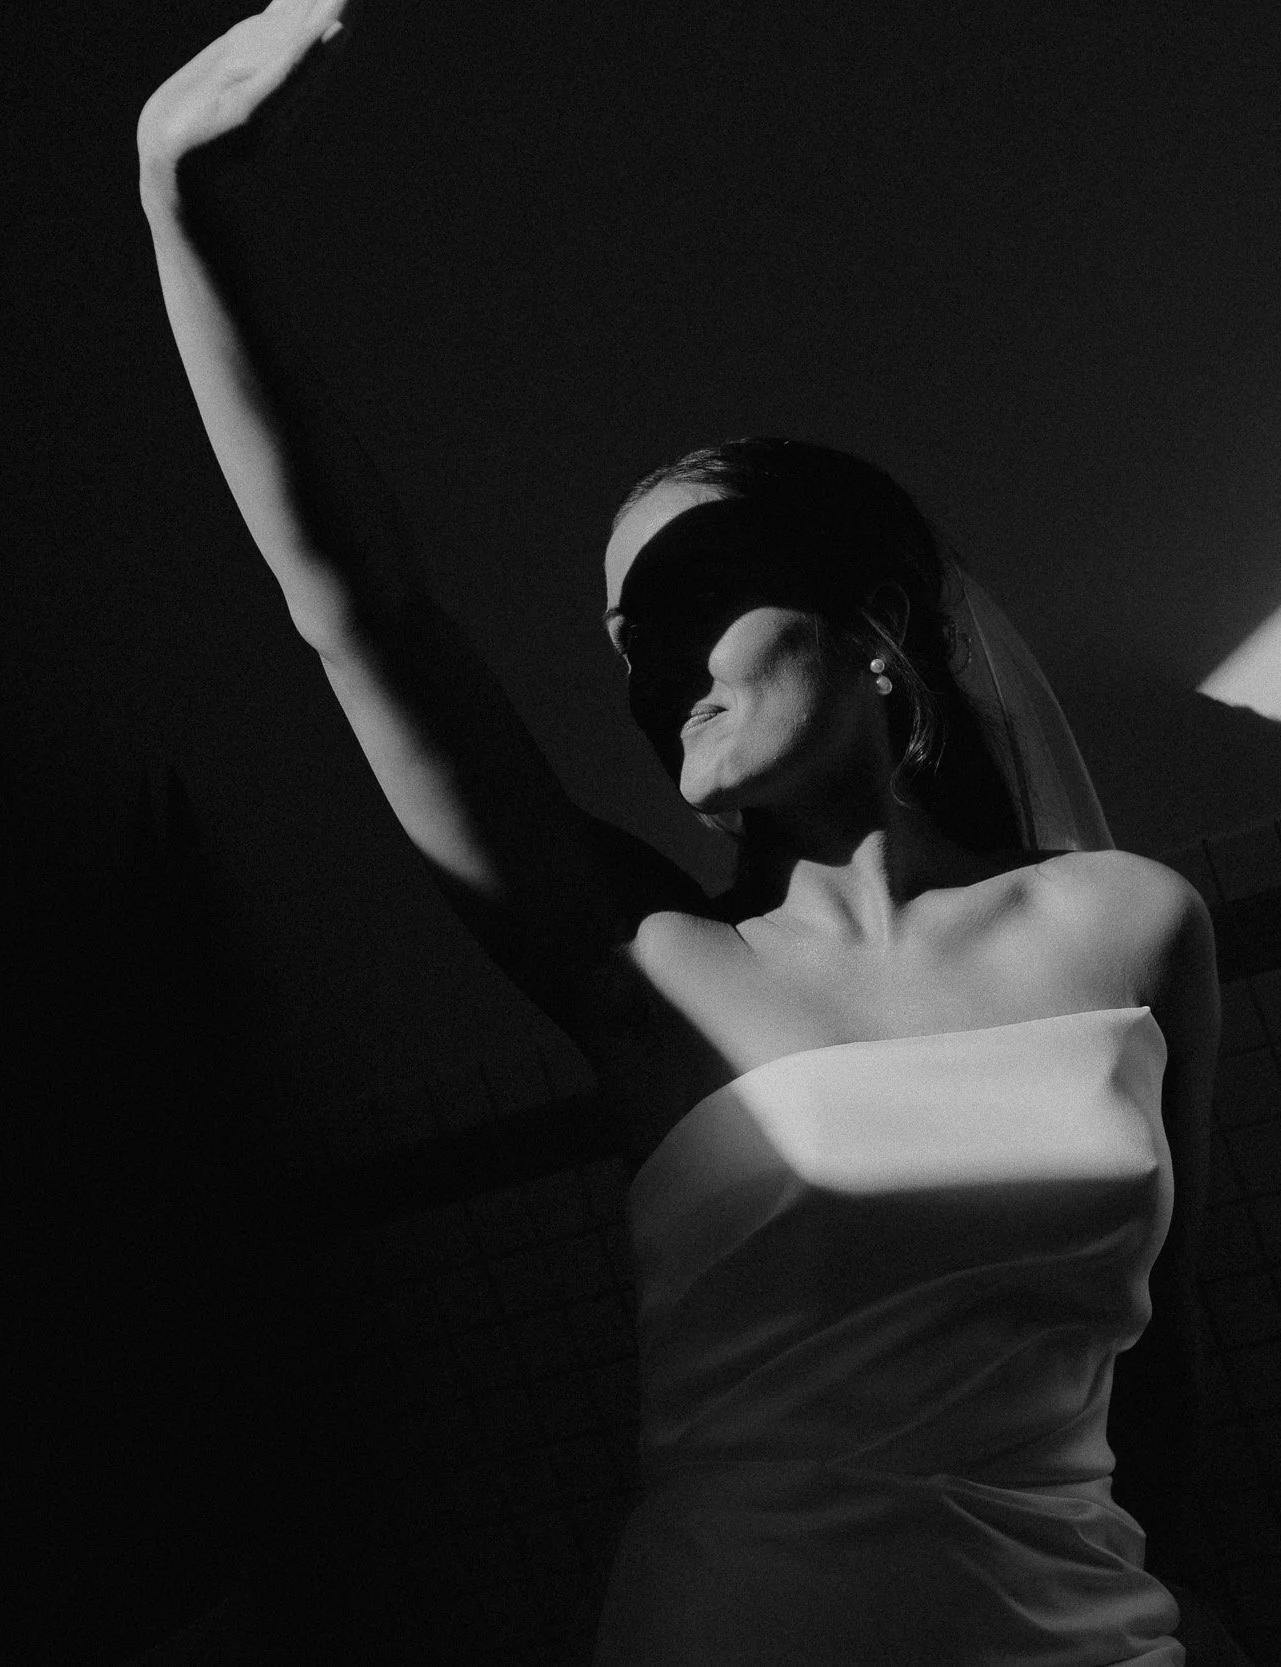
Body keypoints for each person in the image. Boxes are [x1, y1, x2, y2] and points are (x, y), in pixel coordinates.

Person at [138, 4, 1223, 1662]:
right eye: (621, 638)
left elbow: (1162, 1375)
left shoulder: (1137, 929)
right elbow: (363, 613)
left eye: (690, 598)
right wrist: (180, 211)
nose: (649, 665)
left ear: (870, 630)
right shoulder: (643, 964)